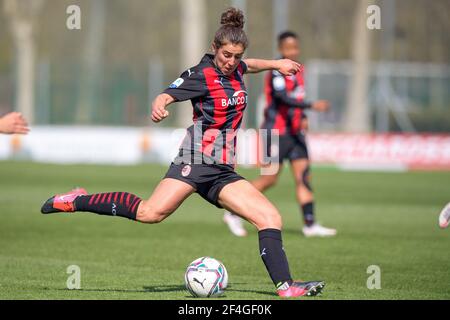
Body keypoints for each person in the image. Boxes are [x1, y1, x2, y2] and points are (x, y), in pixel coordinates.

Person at [41, 8, 325, 298]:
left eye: (237, 56)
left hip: (222, 170)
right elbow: (168, 93)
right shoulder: (200, 74)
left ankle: (286, 288)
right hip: (196, 160)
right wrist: (159, 103)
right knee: (150, 213)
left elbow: (250, 65)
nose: (231, 62)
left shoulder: (238, 67)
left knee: (270, 217)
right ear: (215, 48)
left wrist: (277, 64)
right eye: (226, 55)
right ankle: (77, 200)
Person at [223, 31, 337, 238]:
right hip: (274, 132)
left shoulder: (299, 70)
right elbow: (282, 98)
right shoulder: (276, 71)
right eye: (289, 48)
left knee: (304, 177)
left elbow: (296, 98)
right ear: (281, 49)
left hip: (295, 133)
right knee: (269, 179)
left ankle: (310, 225)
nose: (293, 51)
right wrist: (312, 106)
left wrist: (303, 116)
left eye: (296, 47)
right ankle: (233, 210)